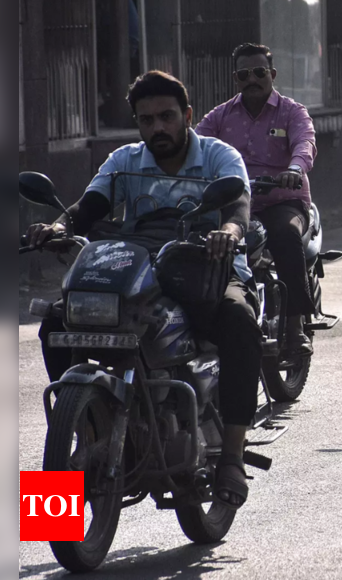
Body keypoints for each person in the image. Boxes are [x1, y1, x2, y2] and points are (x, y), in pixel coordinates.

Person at [26, 71, 260, 510]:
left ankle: (231, 454)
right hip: (136, 269)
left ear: (187, 116)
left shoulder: (219, 157)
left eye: (167, 117)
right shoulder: (124, 161)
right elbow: (88, 206)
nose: (158, 128)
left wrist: (228, 231)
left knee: (240, 321)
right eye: (147, 119)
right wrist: (59, 227)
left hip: (205, 267)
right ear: (137, 122)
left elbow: (238, 206)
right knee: (59, 319)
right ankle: (84, 428)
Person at [196, 43, 318, 356]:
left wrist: (294, 168)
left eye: (259, 72)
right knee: (201, 243)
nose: (252, 79)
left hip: (282, 202)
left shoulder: (292, 112)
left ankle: (295, 325)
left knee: (285, 235)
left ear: (272, 74)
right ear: (235, 78)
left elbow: (305, 144)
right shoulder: (220, 116)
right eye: (244, 74)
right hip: (236, 204)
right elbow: (194, 145)